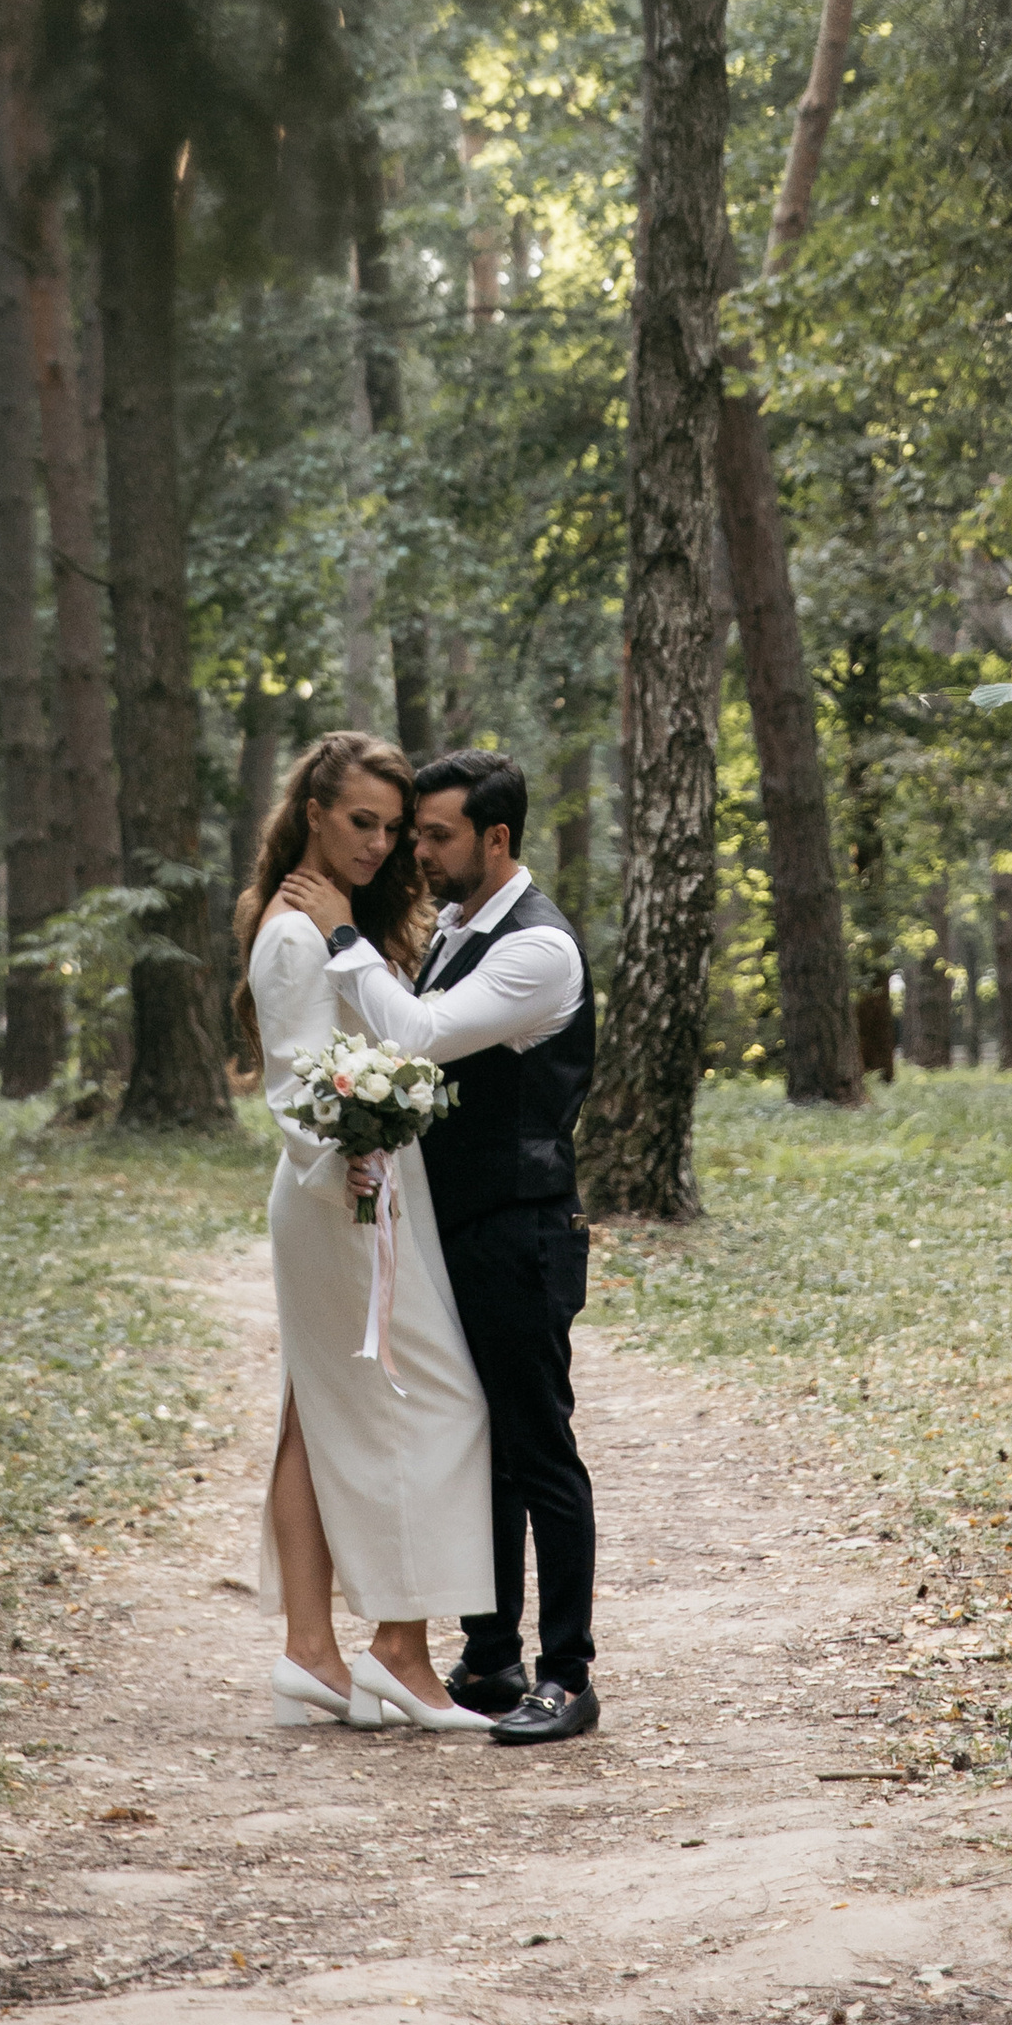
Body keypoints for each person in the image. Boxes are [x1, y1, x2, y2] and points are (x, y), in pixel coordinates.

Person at [278, 746, 600, 1747]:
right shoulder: (462, 924)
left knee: (538, 1447)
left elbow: (414, 1037)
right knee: (477, 1444)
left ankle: (568, 1674)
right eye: (409, 831)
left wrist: (339, 932)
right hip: (453, 1228)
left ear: (495, 838)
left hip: (520, 1229)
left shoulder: (537, 949)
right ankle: (491, 1657)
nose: (414, 851)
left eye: (436, 834)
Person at [236, 729, 499, 1735]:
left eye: (392, 829)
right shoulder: (296, 931)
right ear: (311, 814)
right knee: (433, 1402)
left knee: (315, 1414)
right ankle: (401, 1647)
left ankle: (311, 1652)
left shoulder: (337, 920)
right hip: (340, 1193)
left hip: (366, 1184)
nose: (379, 844)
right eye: (360, 822)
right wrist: (347, 1149)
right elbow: (297, 1078)